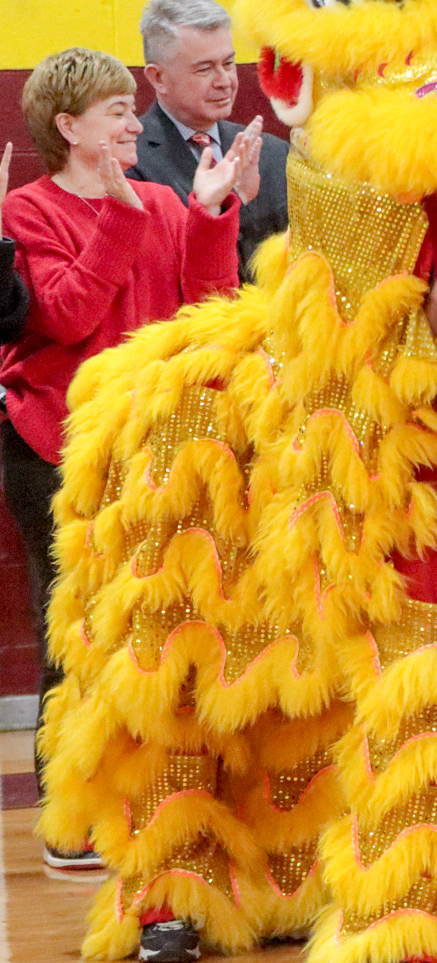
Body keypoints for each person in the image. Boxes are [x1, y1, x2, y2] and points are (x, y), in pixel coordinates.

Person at [0, 46, 252, 869]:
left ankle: (143, 797)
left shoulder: (157, 198)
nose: (135, 123)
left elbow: (207, 307)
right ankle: (65, 813)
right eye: (117, 112)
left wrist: (212, 214)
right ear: (68, 127)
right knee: (67, 626)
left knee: (148, 625)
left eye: (132, 112)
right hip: (57, 449)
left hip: (150, 446)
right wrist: (119, 217)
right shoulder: (28, 212)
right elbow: (63, 317)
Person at [129, 0, 289, 280]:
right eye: (205, 69)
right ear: (158, 78)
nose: (225, 81)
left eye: (228, 63)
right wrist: (233, 200)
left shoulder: (273, 154)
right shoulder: (131, 162)